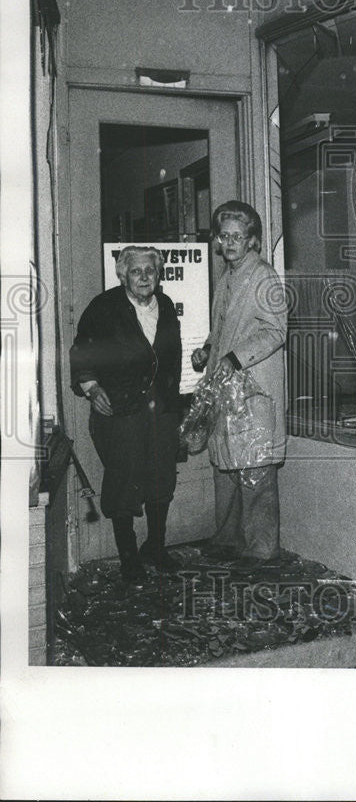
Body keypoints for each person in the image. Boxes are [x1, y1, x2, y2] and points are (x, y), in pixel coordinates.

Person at [70, 245, 182, 584]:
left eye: (150, 270)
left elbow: (170, 358)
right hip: (120, 409)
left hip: (160, 408)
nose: (144, 277)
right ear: (123, 275)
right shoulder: (104, 308)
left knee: (162, 477)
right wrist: (91, 387)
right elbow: (81, 352)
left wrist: (178, 405)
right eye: (136, 271)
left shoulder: (164, 305)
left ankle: (156, 548)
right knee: (124, 480)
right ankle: (129, 559)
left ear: (158, 273)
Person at [192, 200, 286, 563]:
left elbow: (275, 331)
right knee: (227, 470)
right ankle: (229, 539)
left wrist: (234, 357)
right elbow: (223, 330)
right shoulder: (227, 278)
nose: (229, 242)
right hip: (226, 388)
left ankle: (262, 551)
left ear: (252, 240)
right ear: (217, 240)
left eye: (237, 236)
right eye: (223, 235)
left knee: (255, 471)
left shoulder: (264, 276)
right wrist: (207, 350)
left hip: (252, 389)